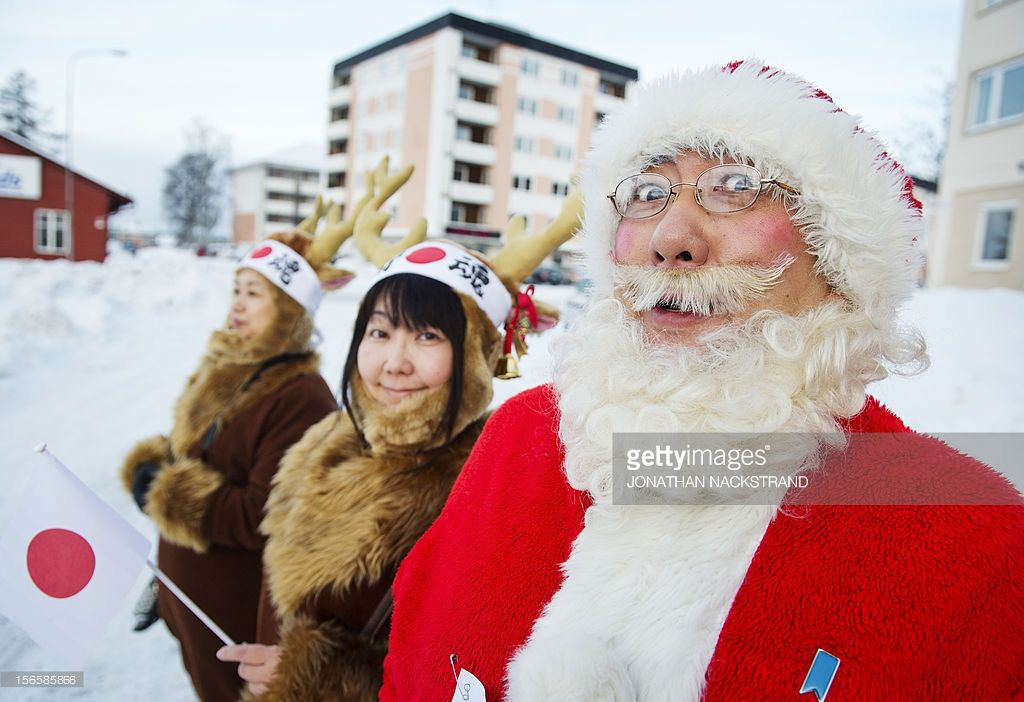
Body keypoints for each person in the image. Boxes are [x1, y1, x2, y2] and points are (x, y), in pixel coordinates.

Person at [379, 61, 1024, 700]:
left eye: (735, 186)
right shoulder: (519, 437)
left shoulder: (970, 535)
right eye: (647, 194)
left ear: (836, 255)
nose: (671, 238)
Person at [215, 178, 582, 700]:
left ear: (475, 354)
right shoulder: (326, 442)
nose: (394, 363)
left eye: (428, 336)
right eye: (380, 332)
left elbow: (467, 667)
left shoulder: (484, 482)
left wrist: (312, 675)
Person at [118, 202, 361, 701]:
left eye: (255, 294)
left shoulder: (302, 395)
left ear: (290, 310)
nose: (238, 304)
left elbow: (261, 514)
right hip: (188, 589)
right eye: (236, 290)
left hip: (232, 604)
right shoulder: (229, 366)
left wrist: (166, 494)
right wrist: (152, 460)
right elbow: (192, 447)